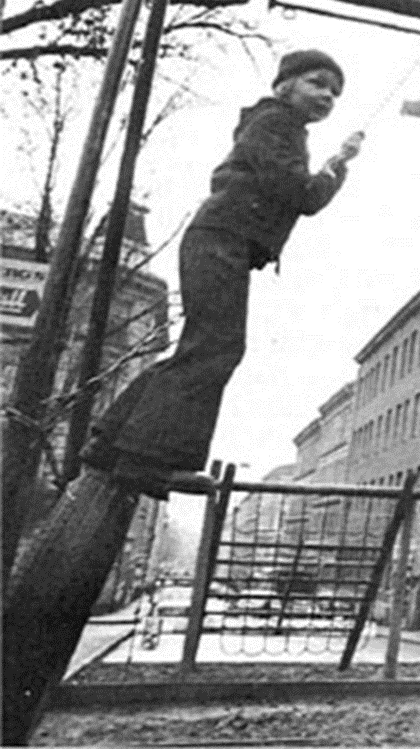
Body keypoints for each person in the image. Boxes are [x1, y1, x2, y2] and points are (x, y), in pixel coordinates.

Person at [80, 50, 364, 499]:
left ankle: (111, 441)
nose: (327, 95)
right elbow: (302, 195)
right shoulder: (277, 124)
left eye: (335, 91)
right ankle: (145, 460)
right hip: (222, 240)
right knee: (216, 347)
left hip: (221, 239)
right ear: (284, 85)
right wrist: (336, 166)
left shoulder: (275, 125)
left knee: (206, 344)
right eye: (317, 82)